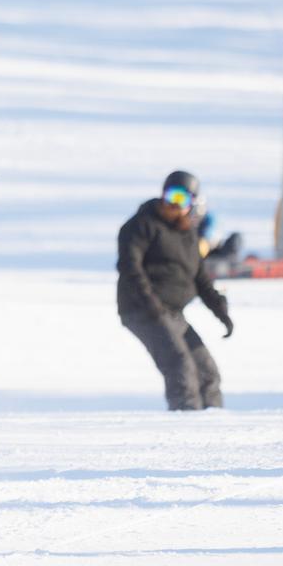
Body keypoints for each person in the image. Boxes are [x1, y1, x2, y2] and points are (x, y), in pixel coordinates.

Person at [116, 171, 234, 410]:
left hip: (172, 312)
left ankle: (213, 423)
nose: (173, 204)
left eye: (181, 199)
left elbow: (199, 276)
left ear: (192, 204)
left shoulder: (187, 233)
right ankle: (186, 425)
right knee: (180, 366)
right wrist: (153, 308)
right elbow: (131, 270)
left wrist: (220, 310)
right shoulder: (140, 226)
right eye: (170, 196)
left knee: (207, 371)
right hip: (142, 311)